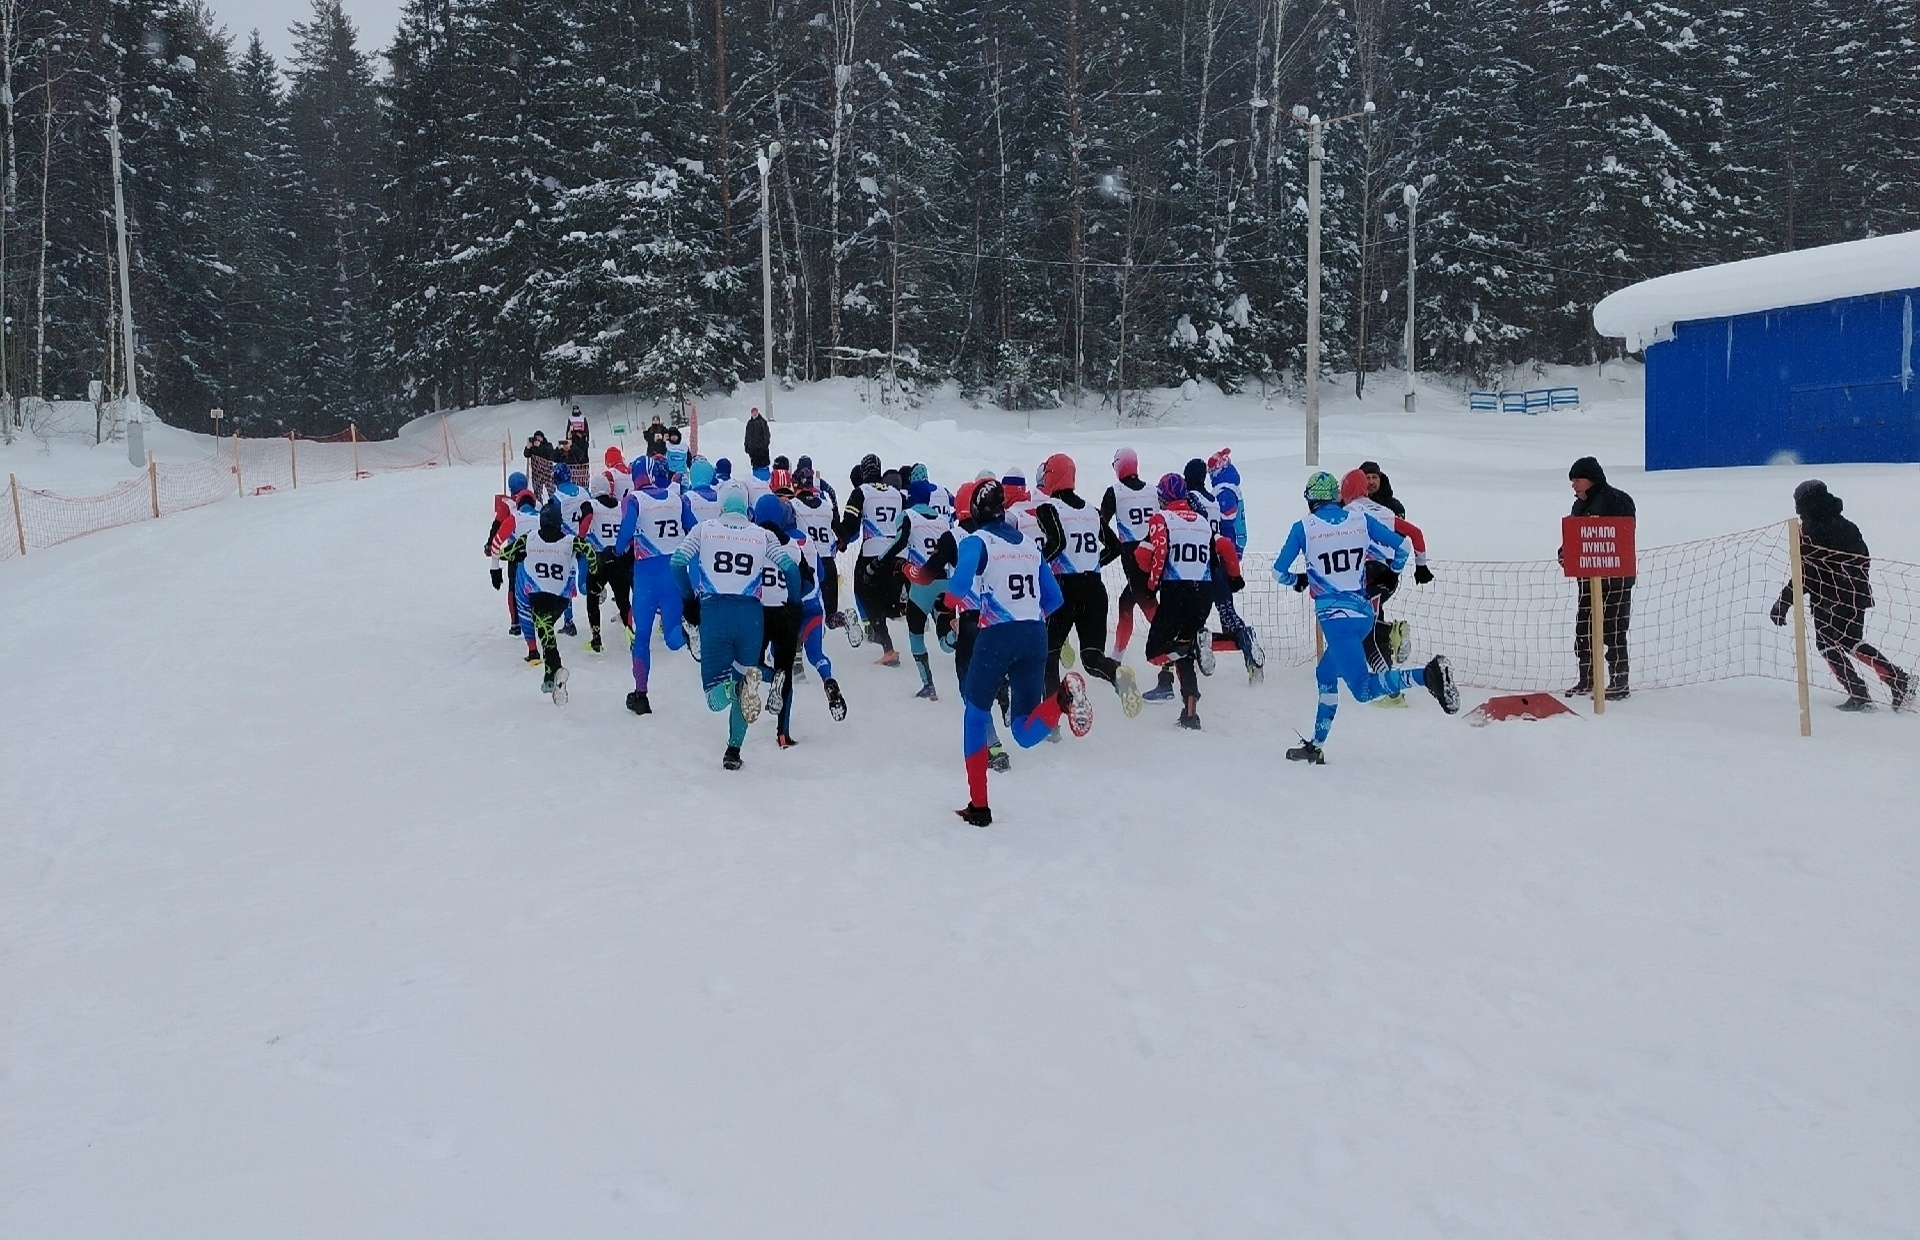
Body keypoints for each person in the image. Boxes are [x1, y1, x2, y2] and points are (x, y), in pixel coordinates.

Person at [1274, 472, 1459, 763]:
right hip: (1363, 613)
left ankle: (1427, 675)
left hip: (1336, 620)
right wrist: (1391, 575)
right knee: (1325, 674)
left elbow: (1277, 572)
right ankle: (1316, 746)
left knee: (1361, 689)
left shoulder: (1303, 528)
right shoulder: (1359, 520)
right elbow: (1403, 546)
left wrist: (1300, 580)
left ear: (1310, 500)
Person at [947, 478, 1094, 826]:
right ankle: (1061, 700)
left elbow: (957, 588)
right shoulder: (1029, 544)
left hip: (997, 634)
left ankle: (979, 806)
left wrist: (950, 603)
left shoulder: (976, 541)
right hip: (1034, 634)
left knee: (975, 713)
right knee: (1024, 731)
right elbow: (1054, 598)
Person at [673, 481, 802, 770]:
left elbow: (677, 562)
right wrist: (793, 604)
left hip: (715, 612)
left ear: (721, 505)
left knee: (715, 697)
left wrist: (688, 598)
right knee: (745, 680)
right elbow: (791, 570)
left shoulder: (704, 529)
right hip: (751, 617)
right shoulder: (762, 535)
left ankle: (736, 689)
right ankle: (733, 749)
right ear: (747, 508)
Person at [1771, 480, 1913, 711]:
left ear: (1806, 503)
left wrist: (1783, 602)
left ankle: (1860, 695)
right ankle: (1897, 680)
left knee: (1827, 644)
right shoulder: (1847, 525)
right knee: (1851, 641)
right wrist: (1852, 586)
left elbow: (1806, 573)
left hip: (1830, 598)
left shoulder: (1811, 530)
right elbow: (1863, 559)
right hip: (1856, 593)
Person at [1033, 452, 1141, 715]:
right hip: (1094, 589)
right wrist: (1092, 564)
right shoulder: (1092, 511)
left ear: (1052, 477)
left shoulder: (1048, 508)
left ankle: (1052, 721)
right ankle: (1118, 675)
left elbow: (1057, 543)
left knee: (1049, 655)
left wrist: (1033, 566)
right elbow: (1115, 547)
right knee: (1092, 658)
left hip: (1064, 591)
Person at [1135, 474, 1241, 730]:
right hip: (1203, 592)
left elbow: (1146, 555)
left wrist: (1150, 584)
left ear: (1163, 497)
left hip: (1176, 591)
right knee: (1182, 648)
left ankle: (1192, 646)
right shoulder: (1203, 522)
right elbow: (1226, 546)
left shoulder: (1162, 519)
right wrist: (1235, 576)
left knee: (1155, 651)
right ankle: (1190, 713)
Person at [616, 458, 696, 716]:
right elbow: (693, 528)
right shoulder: (677, 498)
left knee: (642, 636)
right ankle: (688, 635)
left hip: (646, 574)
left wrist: (618, 550)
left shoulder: (635, 499)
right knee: (672, 634)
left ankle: (641, 694)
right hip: (674, 568)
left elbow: (625, 533)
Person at [1340, 467, 1432, 676]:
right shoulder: (1385, 511)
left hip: (1363, 574)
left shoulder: (1347, 513)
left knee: (1364, 627)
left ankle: (1388, 685)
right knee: (1366, 619)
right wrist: (1420, 566)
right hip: (1387, 574)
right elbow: (1415, 534)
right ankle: (1373, 654)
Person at [506, 498, 593, 702]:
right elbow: (586, 552)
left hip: (539, 596)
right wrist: (589, 574)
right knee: (547, 632)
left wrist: (512, 555)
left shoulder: (530, 538)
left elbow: (506, 552)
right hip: (561, 599)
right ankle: (549, 675)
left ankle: (555, 668)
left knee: (543, 630)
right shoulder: (569, 539)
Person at [1565, 456, 1635, 700]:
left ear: (1592, 479)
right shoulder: (1579, 506)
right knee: (1583, 631)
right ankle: (1588, 679)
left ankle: (1618, 682)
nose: (1574, 485)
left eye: (1578, 480)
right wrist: (1566, 553)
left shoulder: (1618, 501)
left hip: (1616, 580)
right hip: (1587, 580)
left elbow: (1620, 537)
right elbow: (1575, 536)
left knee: (1613, 631)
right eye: (1572, 481)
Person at [890, 479, 957, 700]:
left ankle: (928, 685)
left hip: (921, 583)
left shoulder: (907, 516)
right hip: (945, 581)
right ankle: (954, 636)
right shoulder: (943, 521)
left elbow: (899, 545)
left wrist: (888, 565)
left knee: (916, 634)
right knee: (944, 640)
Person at [1200, 450, 1264, 681]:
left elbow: (1226, 514)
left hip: (1220, 554)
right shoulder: (1232, 486)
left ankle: (1203, 643)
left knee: (1203, 608)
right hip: (1230, 554)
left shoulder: (1224, 489)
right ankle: (1246, 640)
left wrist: (1207, 517)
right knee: (1225, 608)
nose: (1210, 475)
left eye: (1212, 470)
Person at [837, 453, 907, 663]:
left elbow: (850, 525)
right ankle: (897, 608)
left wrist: (840, 536)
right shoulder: (897, 494)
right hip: (898, 551)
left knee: (863, 590)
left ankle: (885, 644)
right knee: (888, 592)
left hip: (873, 550)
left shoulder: (861, 492)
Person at [752, 493, 808, 745]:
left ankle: (770, 676)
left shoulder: (750, 541)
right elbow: (807, 582)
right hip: (786, 612)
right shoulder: (793, 546)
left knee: (751, 664)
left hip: (758, 612)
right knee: (786, 667)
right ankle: (783, 733)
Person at [1101, 447, 1161, 653]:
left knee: (1149, 607)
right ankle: (1117, 656)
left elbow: (1102, 524)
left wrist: (1113, 546)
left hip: (1133, 556)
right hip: (1157, 551)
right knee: (1126, 602)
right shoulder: (1154, 490)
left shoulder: (1115, 492)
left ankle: (1181, 653)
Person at [486, 472, 530, 636]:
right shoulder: (535, 502)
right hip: (534, 551)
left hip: (514, 552)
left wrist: (490, 544)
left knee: (513, 587)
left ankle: (515, 622)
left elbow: (496, 525)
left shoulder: (507, 506)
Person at [523, 430, 557, 499]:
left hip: (547, 473)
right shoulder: (533, 447)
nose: (537, 439)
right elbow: (526, 455)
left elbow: (551, 455)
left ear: (542, 438)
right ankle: (539, 505)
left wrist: (540, 446)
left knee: (552, 492)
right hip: (537, 474)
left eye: (539, 438)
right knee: (537, 494)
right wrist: (528, 447)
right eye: (536, 438)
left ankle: (554, 503)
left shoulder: (548, 445)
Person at [745, 406, 772, 473]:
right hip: (753, 450)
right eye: (753, 413)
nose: (754, 414)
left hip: (762, 450)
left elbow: (767, 435)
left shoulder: (762, 422)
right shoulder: (749, 423)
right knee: (755, 465)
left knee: (764, 465)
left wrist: (764, 446)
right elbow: (747, 436)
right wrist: (747, 446)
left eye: (755, 412)